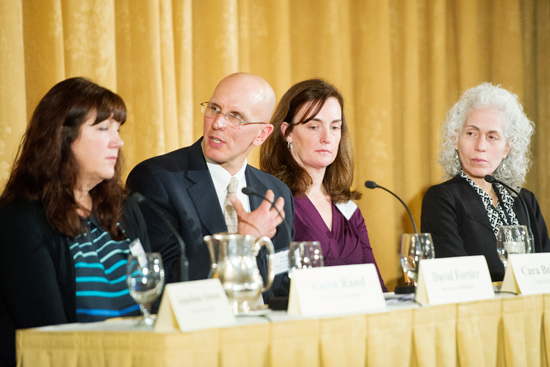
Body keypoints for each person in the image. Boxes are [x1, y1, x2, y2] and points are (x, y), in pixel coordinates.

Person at [0, 77, 151, 366]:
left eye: (118, 129)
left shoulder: (127, 208)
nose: (118, 141)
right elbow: (48, 334)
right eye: (103, 128)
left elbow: (154, 305)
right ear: (62, 136)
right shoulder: (20, 221)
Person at [126, 72, 294, 300]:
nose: (217, 123)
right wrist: (240, 241)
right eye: (214, 108)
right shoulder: (158, 179)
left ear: (261, 134)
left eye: (235, 116)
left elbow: (281, 283)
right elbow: (163, 281)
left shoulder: (274, 192)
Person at [259, 79, 387, 291]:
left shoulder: (348, 209)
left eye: (335, 127)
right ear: (287, 132)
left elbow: (377, 288)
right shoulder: (270, 201)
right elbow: (270, 287)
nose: (327, 137)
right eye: (313, 126)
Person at [421, 82, 550, 281]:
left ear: (507, 148)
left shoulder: (525, 201)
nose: (480, 146)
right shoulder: (441, 199)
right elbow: (457, 275)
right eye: (471, 133)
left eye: (492, 137)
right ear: (456, 139)